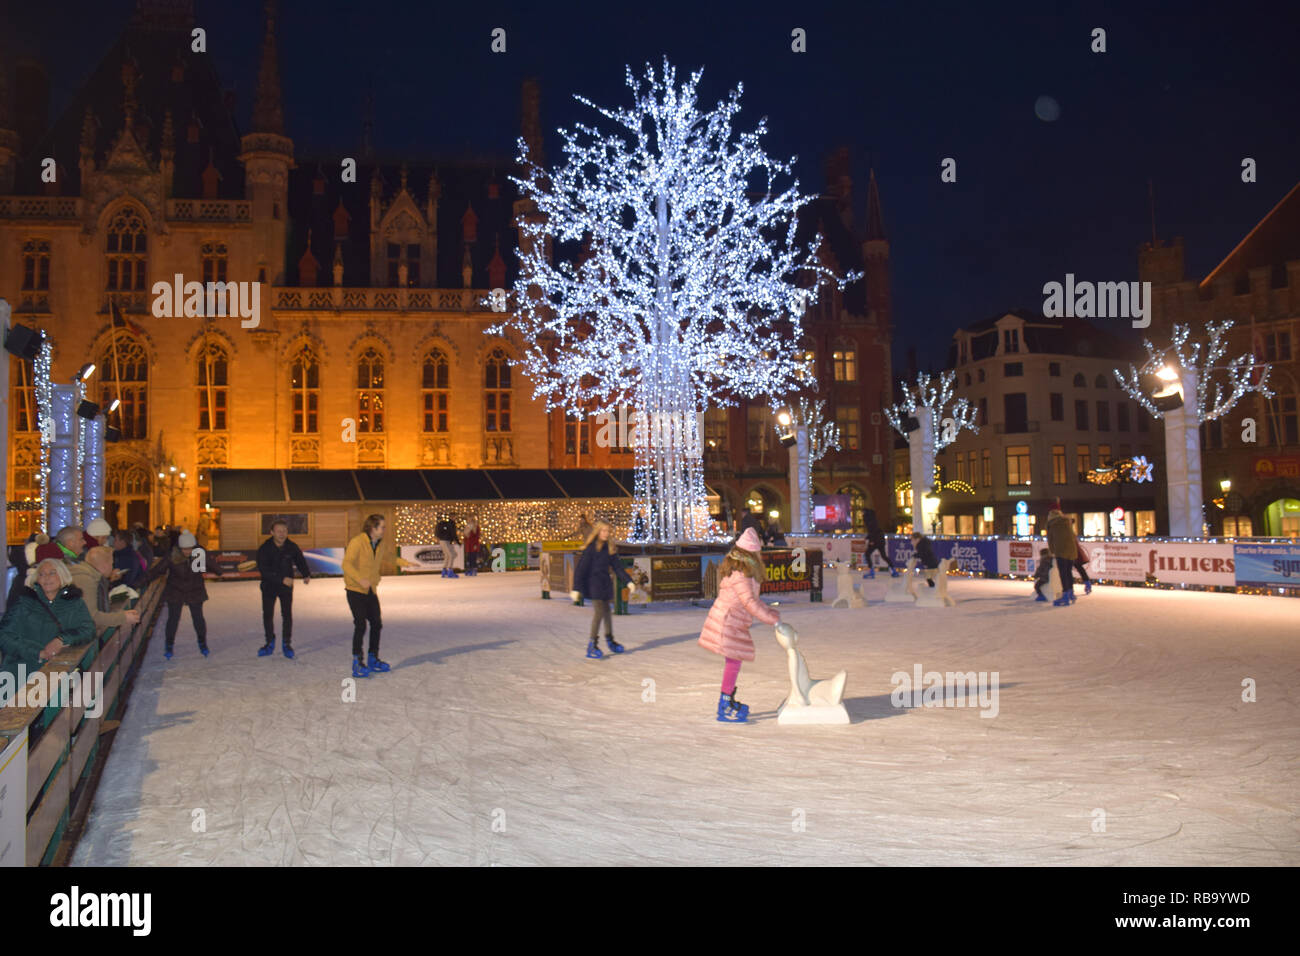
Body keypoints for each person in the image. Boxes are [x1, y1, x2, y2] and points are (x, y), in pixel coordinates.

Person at [697, 526, 781, 723]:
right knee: (733, 662)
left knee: (734, 662)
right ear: (751, 552)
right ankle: (724, 705)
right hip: (728, 622)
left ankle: (727, 700)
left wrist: (770, 613)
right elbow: (749, 603)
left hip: (731, 620)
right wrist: (771, 619)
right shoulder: (741, 574)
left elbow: (751, 600)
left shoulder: (742, 569)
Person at [0, 558, 96, 686]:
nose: (46, 578)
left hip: (58, 672)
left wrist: (62, 639)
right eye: (41, 574)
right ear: (36, 579)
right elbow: (4, 635)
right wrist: (38, 653)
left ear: (62, 575)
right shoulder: (24, 602)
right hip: (20, 673)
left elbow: (88, 629)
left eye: (52, 573)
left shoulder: (74, 602)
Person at [570, 521, 636, 658]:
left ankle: (610, 640)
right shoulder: (591, 548)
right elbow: (581, 569)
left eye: (607, 531)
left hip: (605, 583)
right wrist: (576, 588)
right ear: (598, 532)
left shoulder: (609, 547)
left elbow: (617, 567)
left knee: (607, 612)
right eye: (603, 531)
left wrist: (628, 581)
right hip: (593, 583)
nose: (606, 533)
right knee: (599, 612)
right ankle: (592, 644)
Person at [256, 519, 311, 658]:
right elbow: (264, 570)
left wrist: (306, 573)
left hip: (286, 588)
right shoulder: (264, 548)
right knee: (268, 615)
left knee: (287, 615)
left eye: (284, 531)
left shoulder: (291, 546)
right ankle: (269, 642)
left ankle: (286, 643)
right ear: (272, 532)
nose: (282, 534)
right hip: (269, 586)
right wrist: (281, 579)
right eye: (279, 531)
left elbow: (300, 560)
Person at [343, 514, 388, 677]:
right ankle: (357, 661)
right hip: (355, 590)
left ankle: (373, 658)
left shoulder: (380, 544)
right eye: (382, 527)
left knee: (377, 623)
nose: (384, 530)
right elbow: (346, 564)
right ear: (372, 528)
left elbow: (388, 557)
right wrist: (359, 579)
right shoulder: (357, 542)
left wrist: (405, 563)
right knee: (360, 624)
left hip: (370, 590)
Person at [152, 530, 209, 658]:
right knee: (173, 619)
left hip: (195, 590)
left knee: (198, 618)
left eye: (190, 548)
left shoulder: (198, 555)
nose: (188, 552)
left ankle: (202, 642)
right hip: (175, 590)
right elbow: (157, 571)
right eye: (185, 549)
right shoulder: (172, 556)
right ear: (180, 547)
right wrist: (139, 582)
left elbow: (211, 564)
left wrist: (220, 571)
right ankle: (169, 644)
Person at [70, 546, 141, 638]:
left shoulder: (91, 576)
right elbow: (91, 617)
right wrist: (123, 617)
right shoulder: (85, 580)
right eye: (112, 564)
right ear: (104, 565)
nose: (112, 567)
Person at [1046, 508, 1079, 606]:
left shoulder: (1051, 525)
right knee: (1068, 573)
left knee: (1063, 573)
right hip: (1071, 551)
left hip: (1061, 551)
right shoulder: (1067, 523)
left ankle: (1065, 596)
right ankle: (1070, 593)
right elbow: (1073, 536)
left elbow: (1050, 540)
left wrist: (1052, 552)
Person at [861, 508, 898, 578]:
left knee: (867, 554)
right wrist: (868, 537)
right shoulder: (873, 519)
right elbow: (874, 530)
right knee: (883, 556)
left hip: (875, 540)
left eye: (862, 512)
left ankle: (871, 571)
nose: (861, 514)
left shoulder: (868, 519)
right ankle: (893, 570)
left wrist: (871, 540)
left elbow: (872, 531)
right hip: (880, 540)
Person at [435, 514, 460, 579]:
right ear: (453, 517)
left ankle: (444, 570)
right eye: (455, 517)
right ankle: (450, 571)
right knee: (451, 555)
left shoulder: (445, 523)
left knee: (448, 555)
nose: (455, 519)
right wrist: (458, 542)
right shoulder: (451, 523)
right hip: (446, 541)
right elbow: (453, 533)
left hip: (442, 540)